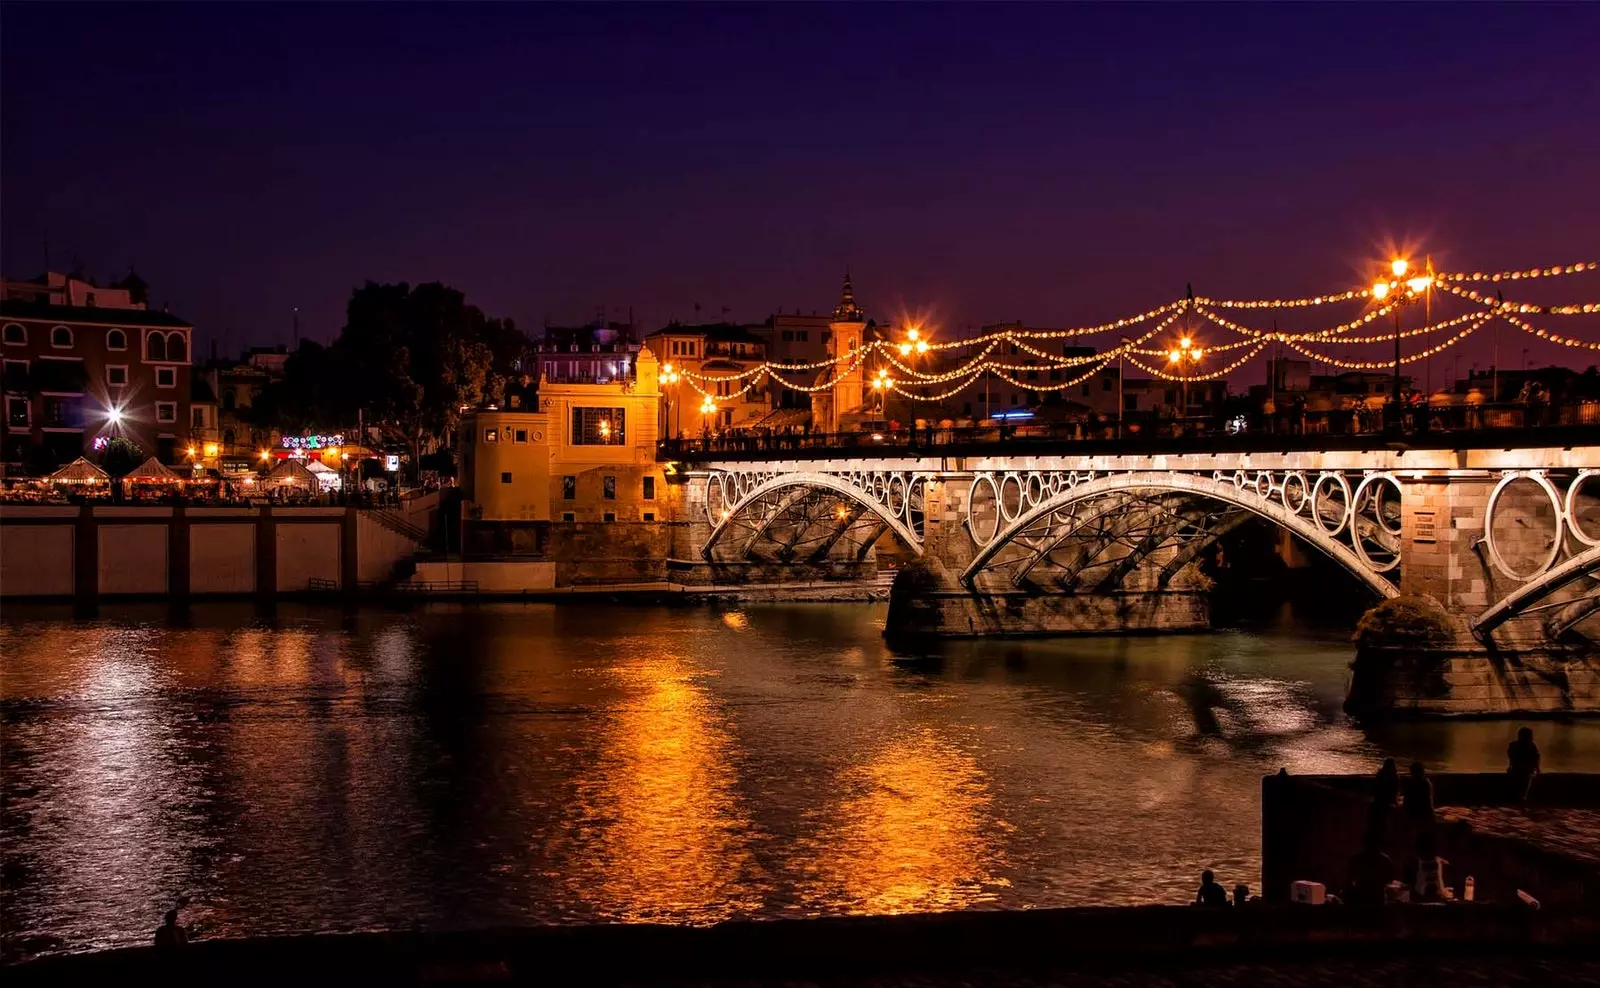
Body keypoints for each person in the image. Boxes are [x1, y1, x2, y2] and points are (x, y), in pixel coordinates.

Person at [1344, 830, 1396, 907]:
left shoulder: (1357, 859)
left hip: (1361, 900)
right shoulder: (1385, 860)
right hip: (1378, 899)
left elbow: (1348, 879)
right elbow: (1389, 880)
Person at [1406, 831, 1449, 903]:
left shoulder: (1437, 861)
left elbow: (1440, 882)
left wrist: (1443, 892)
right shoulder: (1415, 861)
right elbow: (1411, 886)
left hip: (1434, 900)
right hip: (1420, 900)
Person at [1507, 726, 1541, 803]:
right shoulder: (1516, 745)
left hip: (1524, 770)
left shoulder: (1530, 746)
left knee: (1526, 780)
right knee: (1523, 781)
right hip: (1521, 770)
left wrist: (1537, 769)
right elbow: (1512, 759)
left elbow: (1535, 759)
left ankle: (1522, 796)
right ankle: (1522, 796)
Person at [1402, 761, 1434, 828]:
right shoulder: (1426, 782)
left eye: (1412, 772)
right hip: (1426, 814)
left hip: (1418, 815)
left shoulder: (1419, 785)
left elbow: (1411, 801)